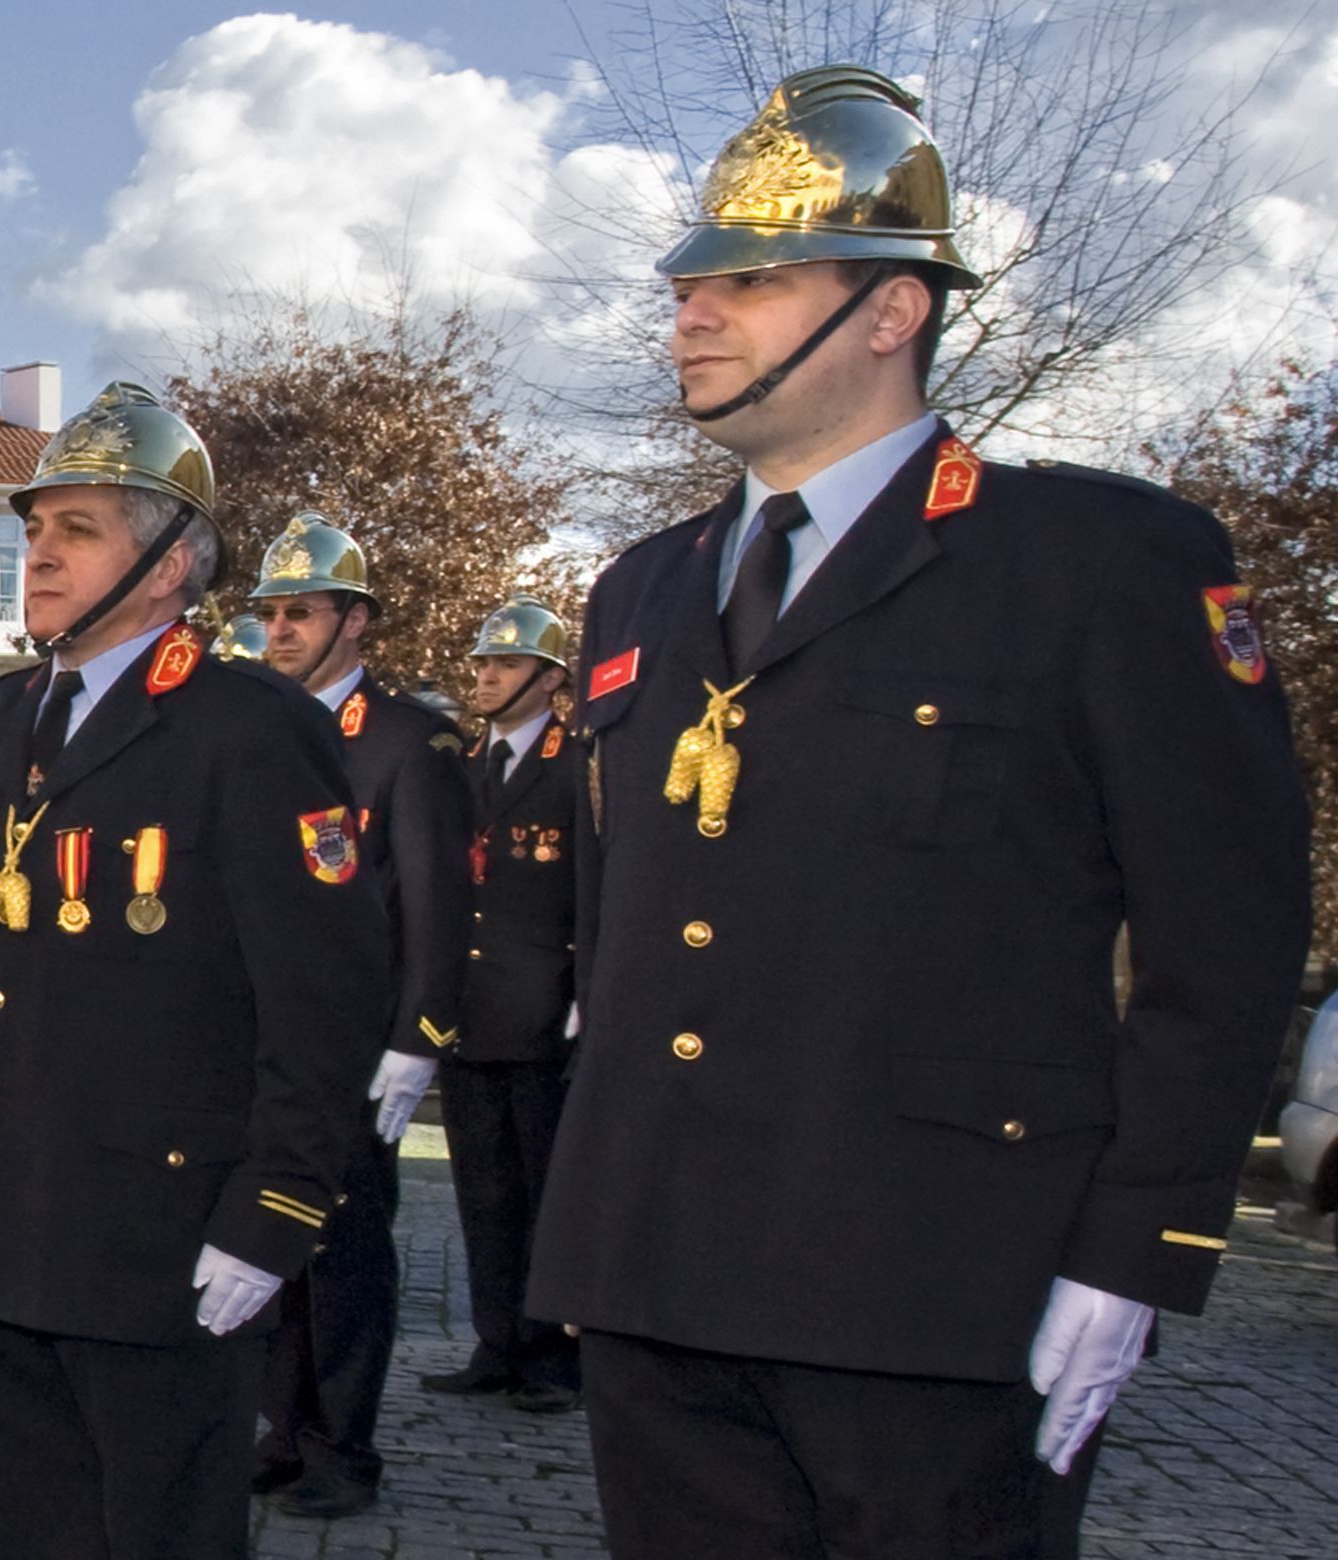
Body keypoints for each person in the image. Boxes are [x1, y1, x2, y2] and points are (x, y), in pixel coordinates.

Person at [527, 66, 1310, 1559]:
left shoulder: (1092, 564)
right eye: (691, 284)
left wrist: (1137, 1245)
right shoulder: (639, 588)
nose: (689, 314)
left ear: (889, 312)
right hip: (660, 1263)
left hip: (939, 1273)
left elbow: (1225, 928)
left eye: (748, 283)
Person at [0, 383, 389, 1560]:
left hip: (156, 1220)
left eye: (77, 531)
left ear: (168, 564)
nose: (39, 557)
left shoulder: (248, 728)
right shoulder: (9, 716)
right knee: (37, 1524)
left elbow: (321, 1003)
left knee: (161, 1530)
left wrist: (275, 1210)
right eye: (32, 530)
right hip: (2, 1202)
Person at [242, 512, 472, 1521]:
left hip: (354, 1041)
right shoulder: (253, 726)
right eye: (269, 614)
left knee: (344, 1253)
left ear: (356, 621)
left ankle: (343, 1447)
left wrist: (416, 1041)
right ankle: (284, 1429)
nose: (279, 632)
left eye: (301, 613)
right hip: (260, 1036)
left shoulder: (407, 741)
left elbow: (436, 903)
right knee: (269, 1236)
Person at [419, 596, 583, 1414]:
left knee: (547, 1192)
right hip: (471, 1012)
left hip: (546, 1010)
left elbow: (597, 889)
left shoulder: (576, 764)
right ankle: (496, 1341)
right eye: (482, 664)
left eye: (506, 665)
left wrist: (586, 997)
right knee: (482, 1192)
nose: (485, 677)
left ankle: (553, 1358)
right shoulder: (463, 764)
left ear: (550, 678)